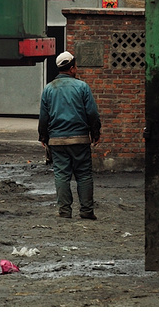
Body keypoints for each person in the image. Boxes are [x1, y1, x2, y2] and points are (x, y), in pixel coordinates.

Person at [38, 51, 101, 220]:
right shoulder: (82, 87)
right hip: (80, 139)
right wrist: (95, 133)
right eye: (76, 66)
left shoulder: (48, 89)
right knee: (84, 175)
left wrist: (43, 136)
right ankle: (87, 211)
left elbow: (44, 117)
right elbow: (92, 113)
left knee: (61, 175)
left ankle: (65, 211)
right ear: (72, 68)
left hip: (57, 140)